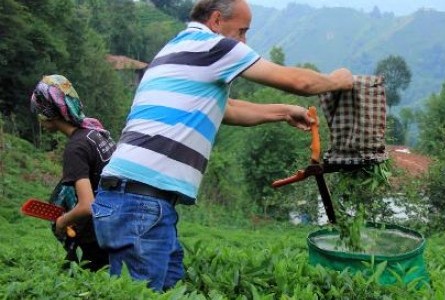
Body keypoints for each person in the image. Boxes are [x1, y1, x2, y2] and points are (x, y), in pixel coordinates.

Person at [91, 0, 354, 291]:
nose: (244, 41)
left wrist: (282, 112)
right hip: (140, 201)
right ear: (216, 21)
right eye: (242, 31)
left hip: (133, 198)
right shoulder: (213, 46)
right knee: (143, 294)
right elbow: (297, 82)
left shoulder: (176, 48)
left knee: (167, 290)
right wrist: (337, 80)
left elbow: (224, 109)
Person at [30, 74, 116, 271]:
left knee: (75, 281)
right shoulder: (96, 135)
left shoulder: (76, 147)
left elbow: (87, 205)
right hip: (115, 227)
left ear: (48, 113)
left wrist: (61, 222)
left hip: (95, 236)